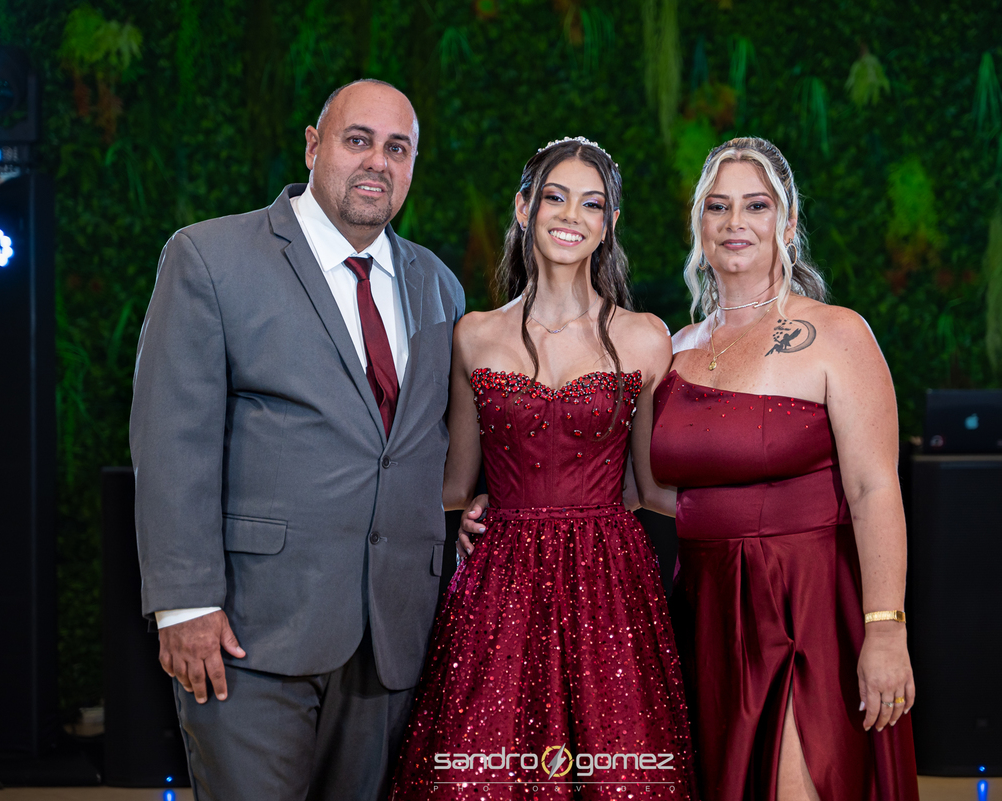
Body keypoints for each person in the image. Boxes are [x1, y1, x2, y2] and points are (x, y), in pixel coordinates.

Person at [129, 79, 465, 801]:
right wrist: (183, 603)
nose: (377, 162)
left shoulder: (438, 286)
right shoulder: (211, 257)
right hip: (250, 633)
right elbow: (171, 440)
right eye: (357, 140)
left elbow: (427, 443)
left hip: (391, 637)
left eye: (397, 148)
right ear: (313, 146)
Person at [391, 137, 696, 799]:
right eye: (556, 197)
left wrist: (777, 513)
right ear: (524, 207)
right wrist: (464, 513)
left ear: (610, 222)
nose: (572, 215)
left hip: (610, 583)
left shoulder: (645, 336)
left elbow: (650, 488)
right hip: (498, 585)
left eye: (592, 203)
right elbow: (454, 483)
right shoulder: (474, 334)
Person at [639, 137, 920, 801]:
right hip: (703, 610)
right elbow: (643, 491)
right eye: (718, 207)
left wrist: (885, 627)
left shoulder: (838, 334)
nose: (735, 222)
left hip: (806, 606)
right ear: (699, 225)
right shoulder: (672, 350)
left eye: (756, 205)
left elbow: (874, 489)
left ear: (788, 224)